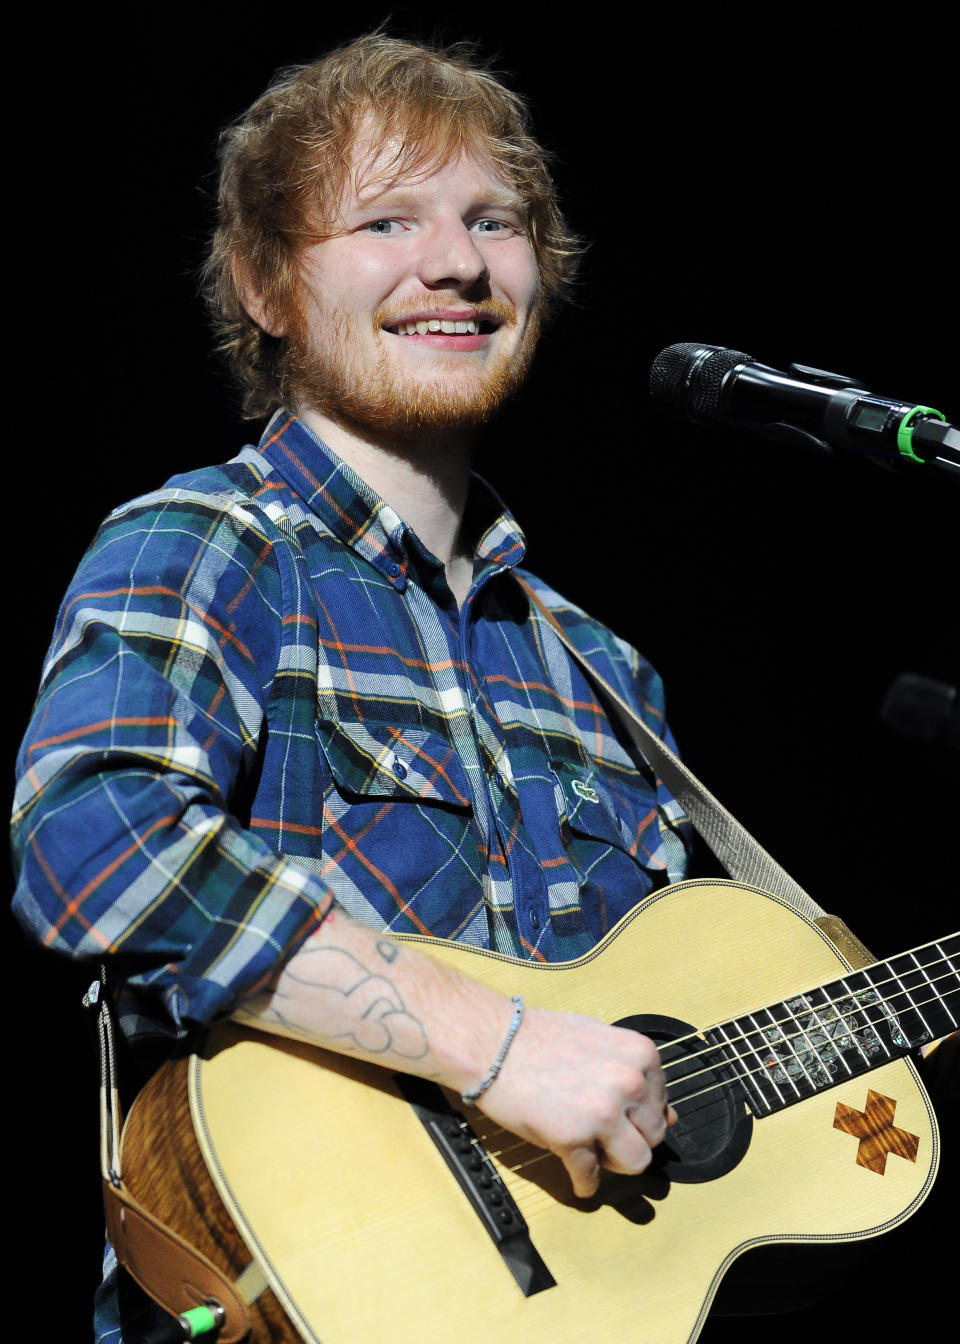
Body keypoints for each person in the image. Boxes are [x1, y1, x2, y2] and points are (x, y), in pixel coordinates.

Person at [11, 33, 693, 1340]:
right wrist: (493, 1046)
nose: (457, 262)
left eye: (495, 221)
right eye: (387, 219)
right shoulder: (209, 542)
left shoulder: (605, 671)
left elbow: (674, 1033)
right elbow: (93, 844)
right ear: (267, 284)